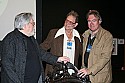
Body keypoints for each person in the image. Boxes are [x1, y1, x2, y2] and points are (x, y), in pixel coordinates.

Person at [1, 12, 70, 83]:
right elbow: (7, 65)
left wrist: (57, 59)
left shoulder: (31, 38)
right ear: (25, 25)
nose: (34, 25)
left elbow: (41, 53)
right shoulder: (10, 39)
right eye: (32, 23)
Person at [40, 10, 83, 76]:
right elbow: (41, 49)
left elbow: (83, 54)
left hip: (72, 74)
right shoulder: (54, 33)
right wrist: (54, 59)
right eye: (67, 20)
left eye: (71, 22)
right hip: (55, 74)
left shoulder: (78, 37)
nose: (67, 23)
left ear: (75, 25)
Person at [78, 10, 113, 83]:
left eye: (94, 20)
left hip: (100, 78)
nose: (91, 23)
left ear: (99, 21)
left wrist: (89, 71)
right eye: (89, 21)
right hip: (86, 75)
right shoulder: (85, 35)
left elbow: (105, 58)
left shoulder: (107, 36)